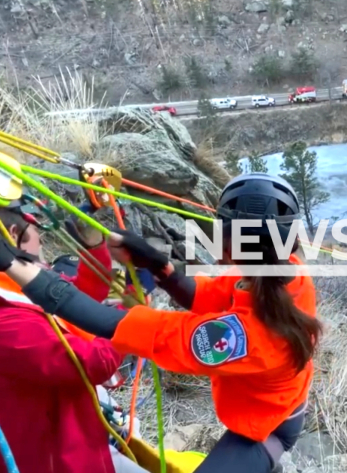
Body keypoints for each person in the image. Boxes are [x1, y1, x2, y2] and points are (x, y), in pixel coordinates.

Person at [0, 173, 322, 473]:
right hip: (274, 401)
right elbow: (207, 296)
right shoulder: (279, 272)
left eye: (220, 228)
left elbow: (147, 331)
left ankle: (268, 462)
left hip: (270, 427)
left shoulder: (247, 337)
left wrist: (18, 268)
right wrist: (159, 265)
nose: (213, 235)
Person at [0, 200, 140, 473]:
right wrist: (132, 320)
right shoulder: (8, 320)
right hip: (58, 457)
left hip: (75, 439)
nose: (41, 238)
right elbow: (90, 364)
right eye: (36, 229)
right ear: (14, 234)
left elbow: (79, 297)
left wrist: (93, 246)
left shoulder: (14, 284)